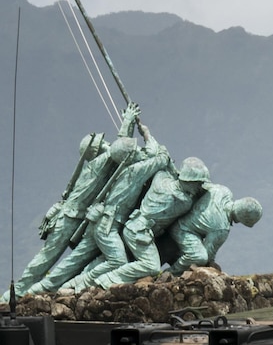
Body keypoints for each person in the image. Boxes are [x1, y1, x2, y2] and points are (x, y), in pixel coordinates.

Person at [3, 102, 140, 303]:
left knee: (68, 261)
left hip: (75, 218)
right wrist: (127, 121)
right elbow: (119, 149)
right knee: (46, 258)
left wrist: (128, 126)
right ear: (96, 150)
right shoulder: (98, 165)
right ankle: (17, 293)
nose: (106, 144)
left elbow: (120, 150)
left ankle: (41, 289)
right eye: (102, 144)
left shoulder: (97, 166)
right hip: (68, 218)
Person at [29, 122, 170, 295]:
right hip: (107, 226)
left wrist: (128, 123)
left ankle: (46, 287)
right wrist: (147, 134)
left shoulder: (121, 168)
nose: (138, 151)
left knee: (76, 260)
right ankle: (79, 283)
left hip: (99, 222)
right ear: (129, 157)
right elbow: (161, 157)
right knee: (117, 260)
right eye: (135, 151)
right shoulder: (134, 170)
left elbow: (121, 148)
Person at [77, 156, 209, 290]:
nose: (200, 187)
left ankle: (78, 282)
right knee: (151, 266)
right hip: (140, 232)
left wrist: (168, 163)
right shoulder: (183, 201)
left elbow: (165, 170)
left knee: (107, 260)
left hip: (133, 226)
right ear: (187, 180)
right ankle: (106, 280)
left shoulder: (161, 179)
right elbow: (193, 199)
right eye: (197, 182)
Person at [162, 184, 263, 275]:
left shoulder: (223, 191)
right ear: (243, 218)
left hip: (178, 217)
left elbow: (200, 186)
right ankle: (171, 273)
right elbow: (209, 252)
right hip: (182, 231)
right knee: (200, 257)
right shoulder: (222, 228)